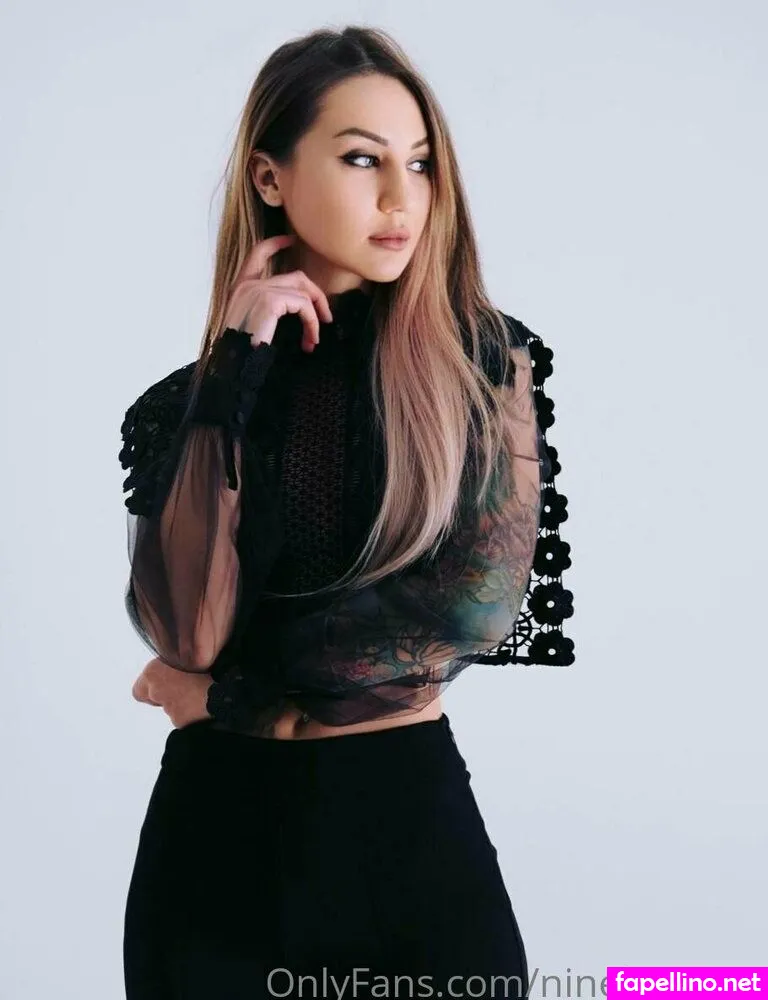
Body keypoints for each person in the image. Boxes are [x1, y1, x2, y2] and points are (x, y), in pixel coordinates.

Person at [119, 24, 574, 1000]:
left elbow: (466, 609)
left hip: (399, 844)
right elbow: (185, 629)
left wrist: (225, 697)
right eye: (364, 158)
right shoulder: (184, 405)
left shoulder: (478, 369)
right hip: (213, 856)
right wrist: (233, 369)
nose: (401, 196)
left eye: (421, 162)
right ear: (270, 177)